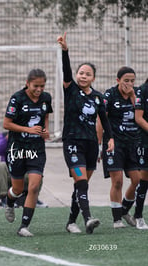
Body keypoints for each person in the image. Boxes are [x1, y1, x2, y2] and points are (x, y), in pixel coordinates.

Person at [57, 33, 114, 234]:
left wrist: (110, 139)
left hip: (91, 145)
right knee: (80, 181)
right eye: (81, 72)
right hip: (72, 142)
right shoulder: (71, 89)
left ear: (93, 78)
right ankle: (88, 218)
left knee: (81, 185)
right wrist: (65, 51)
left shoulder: (98, 97)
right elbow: (66, 72)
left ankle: (71, 222)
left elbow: (105, 121)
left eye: (87, 74)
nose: (83, 76)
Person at [2, 69, 52, 237]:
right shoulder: (17, 98)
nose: (39, 89)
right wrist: (28, 130)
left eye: (42, 86)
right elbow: (6, 124)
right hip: (17, 148)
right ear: (27, 83)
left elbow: (45, 116)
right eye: (35, 86)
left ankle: (24, 226)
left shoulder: (46, 98)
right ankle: (9, 202)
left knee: (34, 186)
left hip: (36, 149)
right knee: (18, 188)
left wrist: (45, 131)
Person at [101, 67, 144, 229]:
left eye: (132, 81)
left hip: (133, 144)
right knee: (117, 181)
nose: (129, 84)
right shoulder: (110, 95)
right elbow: (102, 120)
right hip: (115, 144)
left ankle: (124, 209)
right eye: (126, 80)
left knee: (137, 180)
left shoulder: (137, 94)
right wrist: (101, 143)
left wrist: (133, 95)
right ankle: (117, 219)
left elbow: (140, 114)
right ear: (118, 80)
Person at [0, 131, 47, 209]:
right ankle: (5, 198)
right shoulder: (4, 135)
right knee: (0, 166)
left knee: (37, 172)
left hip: (26, 171)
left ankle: (34, 199)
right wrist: (7, 138)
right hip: (10, 170)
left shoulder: (30, 135)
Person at [134, 78, 148, 229]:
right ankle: (138, 216)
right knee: (144, 179)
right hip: (145, 141)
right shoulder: (143, 90)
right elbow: (138, 118)